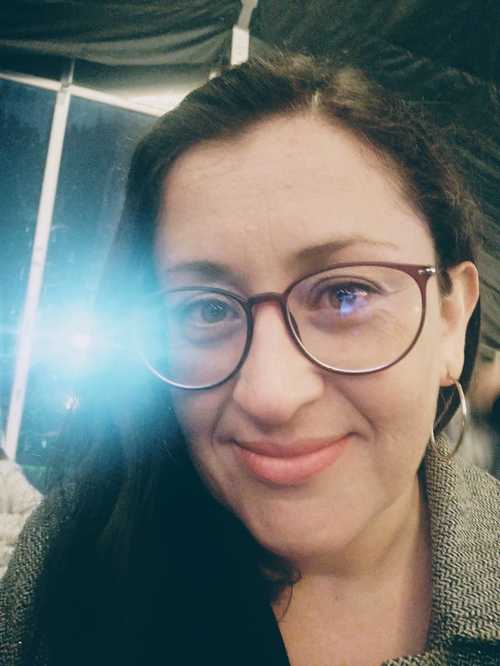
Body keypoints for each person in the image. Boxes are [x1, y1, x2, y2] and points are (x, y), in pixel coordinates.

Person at [1, 53, 499, 666]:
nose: (270, 394)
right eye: (206, 310)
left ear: (451, 320)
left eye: (345, 294)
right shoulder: (69, 559)